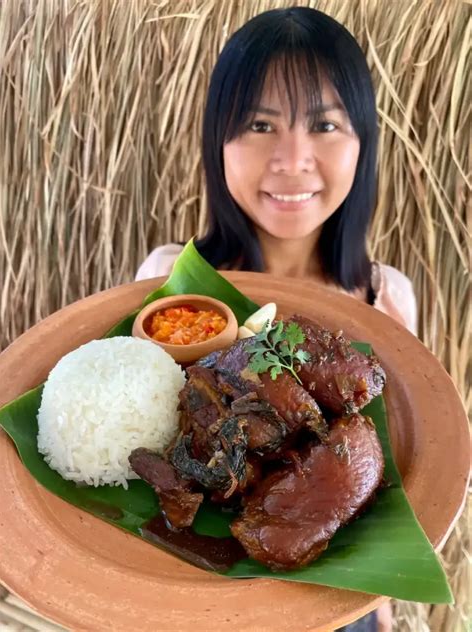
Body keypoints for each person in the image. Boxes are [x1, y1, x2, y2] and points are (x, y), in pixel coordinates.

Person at [136, 7, 417, 630]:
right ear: (219, 141)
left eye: (324, 124)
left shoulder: (388, 297)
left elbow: (392, 486)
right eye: (261, 124)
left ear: (363, 141)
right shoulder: (166, 285)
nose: (293, 159)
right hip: (193, 607)